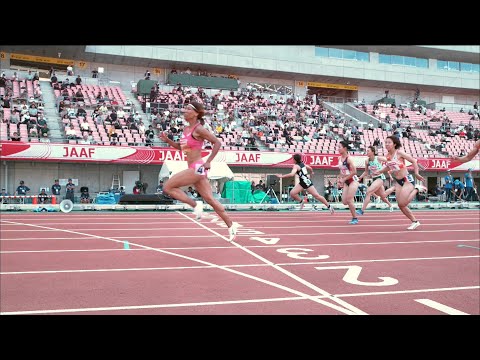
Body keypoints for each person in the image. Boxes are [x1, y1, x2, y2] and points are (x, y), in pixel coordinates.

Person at [160, 101, 240, 242]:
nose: (184, 111)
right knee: (210, 199)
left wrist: (209, 161)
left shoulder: (199, 129)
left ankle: (195, 204)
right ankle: (231, 225)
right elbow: (181, 148)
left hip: (197, 166)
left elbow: (217, 142)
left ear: (196, 113)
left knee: (168, 187)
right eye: (184, 108)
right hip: (195, 168)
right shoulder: (186, 130)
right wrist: (168, 140)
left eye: (188, 109)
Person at [372, 135, 425, 230]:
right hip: (398, 181)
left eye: (389, 142)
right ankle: (415, 221)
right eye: (386, 142)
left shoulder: (399, 153)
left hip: (407, 180)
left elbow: (413, 161)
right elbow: (389, 167)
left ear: (394, 144)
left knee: (403, 202)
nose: (387, 144)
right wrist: (379, 171)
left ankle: (417, 189)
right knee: (400, 205)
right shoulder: (388, 156)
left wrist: (416, 173)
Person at [356, 146, 394, 215]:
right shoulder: (367, 161)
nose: (367, 152)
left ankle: (362, 210)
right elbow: (366, 172)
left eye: (368, 151)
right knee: (383, 196)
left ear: (373, 152)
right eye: (366, 151)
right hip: (374, 179)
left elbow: (389, 160)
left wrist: (388, 168)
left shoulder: (378, 158)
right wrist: (360, 177)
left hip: (380, 178)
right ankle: (390, 205)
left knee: (368, 191)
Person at [337, 140, 360, 224]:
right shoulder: (339, 158)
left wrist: (344, 179)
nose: (338, 149)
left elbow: (354, 172)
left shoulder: (349, 159)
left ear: (345, 148)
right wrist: (340, 180)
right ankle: (353, 207)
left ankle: (355, 218)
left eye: (339, 147)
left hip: (353, 180)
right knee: (344, 201)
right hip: (346, 181)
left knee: (349, 200)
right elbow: (341, 171)